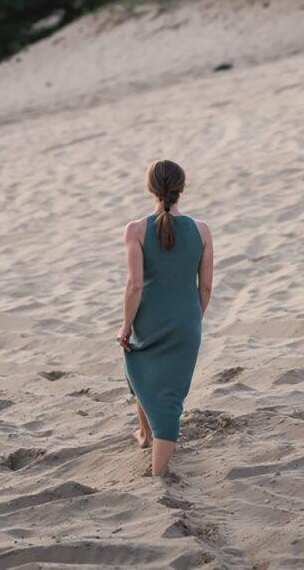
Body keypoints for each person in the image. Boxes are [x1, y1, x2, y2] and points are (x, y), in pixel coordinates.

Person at [117, 159, 214, 477]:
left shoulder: (135, 230)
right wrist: (192, 319)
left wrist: (126, 326)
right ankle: (145, 434)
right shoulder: (201, 231)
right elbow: (206, 286)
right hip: (186, 321)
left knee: (139, 366)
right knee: (160, 385)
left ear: (150, 189)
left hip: (150, 320)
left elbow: (134, 285)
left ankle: (159, 474)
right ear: (181, 189)